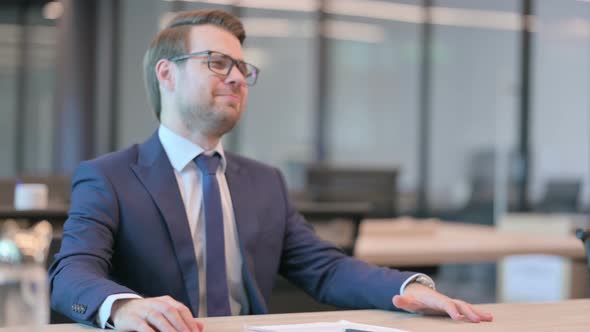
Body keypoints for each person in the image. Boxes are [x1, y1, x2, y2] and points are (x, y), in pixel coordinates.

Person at [49, 9, 493, 332]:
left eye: (242, 67)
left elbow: (326, 269)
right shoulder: (109, 177)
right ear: (167, 74)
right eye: (217, 63)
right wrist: (124, 307)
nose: (238, 78)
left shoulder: (264, 181)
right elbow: (71, 274)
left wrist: (408, 287)